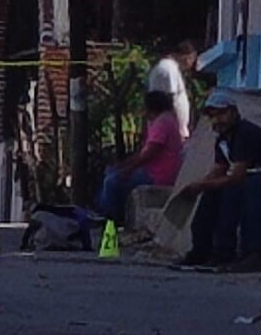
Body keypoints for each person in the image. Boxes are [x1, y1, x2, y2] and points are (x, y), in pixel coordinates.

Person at [177, 90, 261, 271]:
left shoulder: (245, 132)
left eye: (221, 114)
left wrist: (202, 185)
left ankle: (249, 253)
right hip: (246, 178)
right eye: (213, 116)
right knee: (211, 195)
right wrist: (200, 186)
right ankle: (202, 250)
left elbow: (237, 174)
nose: (217, 120)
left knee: (240, 193)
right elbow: (218, 170)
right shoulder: (223, 139)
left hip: (255, 179)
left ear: (233, 112)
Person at [96, 91, 184, 223]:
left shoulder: (163, 123)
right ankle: (101, 212)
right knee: (110, 172)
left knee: (112, 181)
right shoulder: (166, 120)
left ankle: (112, 218)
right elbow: (145, 152)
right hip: (154, 170)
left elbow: (150, 153)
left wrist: (128, 169)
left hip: (158, 175)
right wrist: (123, 164)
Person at [148, 40, 198, 141]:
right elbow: (170, 100)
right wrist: (177, 130)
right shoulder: (169, 69)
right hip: (171, 132)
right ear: (187, 57)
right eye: (193, 60)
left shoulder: (171, 68)